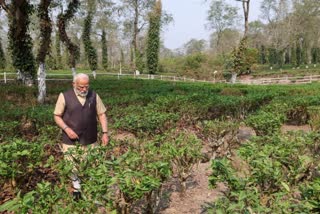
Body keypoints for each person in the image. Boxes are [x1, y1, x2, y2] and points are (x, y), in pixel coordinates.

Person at [53, 73, 108, 200]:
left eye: (86, 87)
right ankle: (77, 190)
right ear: (74, 84)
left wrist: (105, 132)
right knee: (73, 166)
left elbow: (102, 114)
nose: (84, 89)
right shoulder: (64, 96)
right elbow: (57, 116)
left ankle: (92, 192)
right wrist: (66, 129)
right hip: (70, 140)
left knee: (92, 164)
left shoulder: (94, 95)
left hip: (91, 138)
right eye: (81, 87)